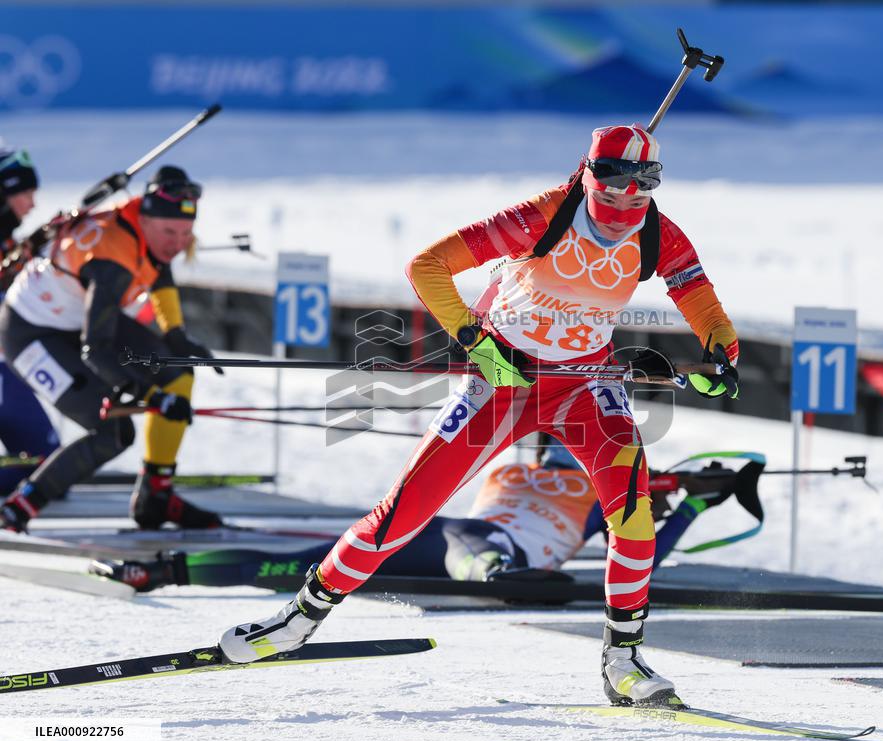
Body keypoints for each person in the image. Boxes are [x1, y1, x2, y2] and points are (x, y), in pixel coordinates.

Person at [218, 124, 740, 707]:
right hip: (502, 381)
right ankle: (297, 621)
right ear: (588, 177)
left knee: (634, 514)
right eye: (609, 193)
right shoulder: (541, 216)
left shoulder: (661, 235)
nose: (621, 209)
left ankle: (623, 660)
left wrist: (722, 356)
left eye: (637, 197)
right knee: (402, 515)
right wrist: (477, 341)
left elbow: (704, 307)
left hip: (582, 383)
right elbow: (427, 267)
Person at [91, 440, 764, 592]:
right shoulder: (589, 487)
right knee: (305, 569)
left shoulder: (593, 487)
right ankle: (168, 571)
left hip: (463, 543)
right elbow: (647, 543)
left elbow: (644, 545)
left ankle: (165, 571)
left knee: (306, 572)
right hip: (459, 540)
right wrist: (684, 495)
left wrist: (694, 496)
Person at [0, 166, 224, 533]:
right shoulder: (111, 260)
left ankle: (156, 495)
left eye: (186, 233)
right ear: (147, 219)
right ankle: (19, 508)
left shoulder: (144, 223)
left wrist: (176, 335)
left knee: (177, 370)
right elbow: (97, 350)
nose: (177, 242)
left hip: (79, 317)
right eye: (169, 232)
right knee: (113, 431)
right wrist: (151, 396)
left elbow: (159, 271)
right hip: (31, 333)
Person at [0, 148, 60, 496]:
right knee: (46, 469)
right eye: (27, 194)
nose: (33, 204)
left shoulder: (8, 239)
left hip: (8, 369)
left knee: (48, 468)